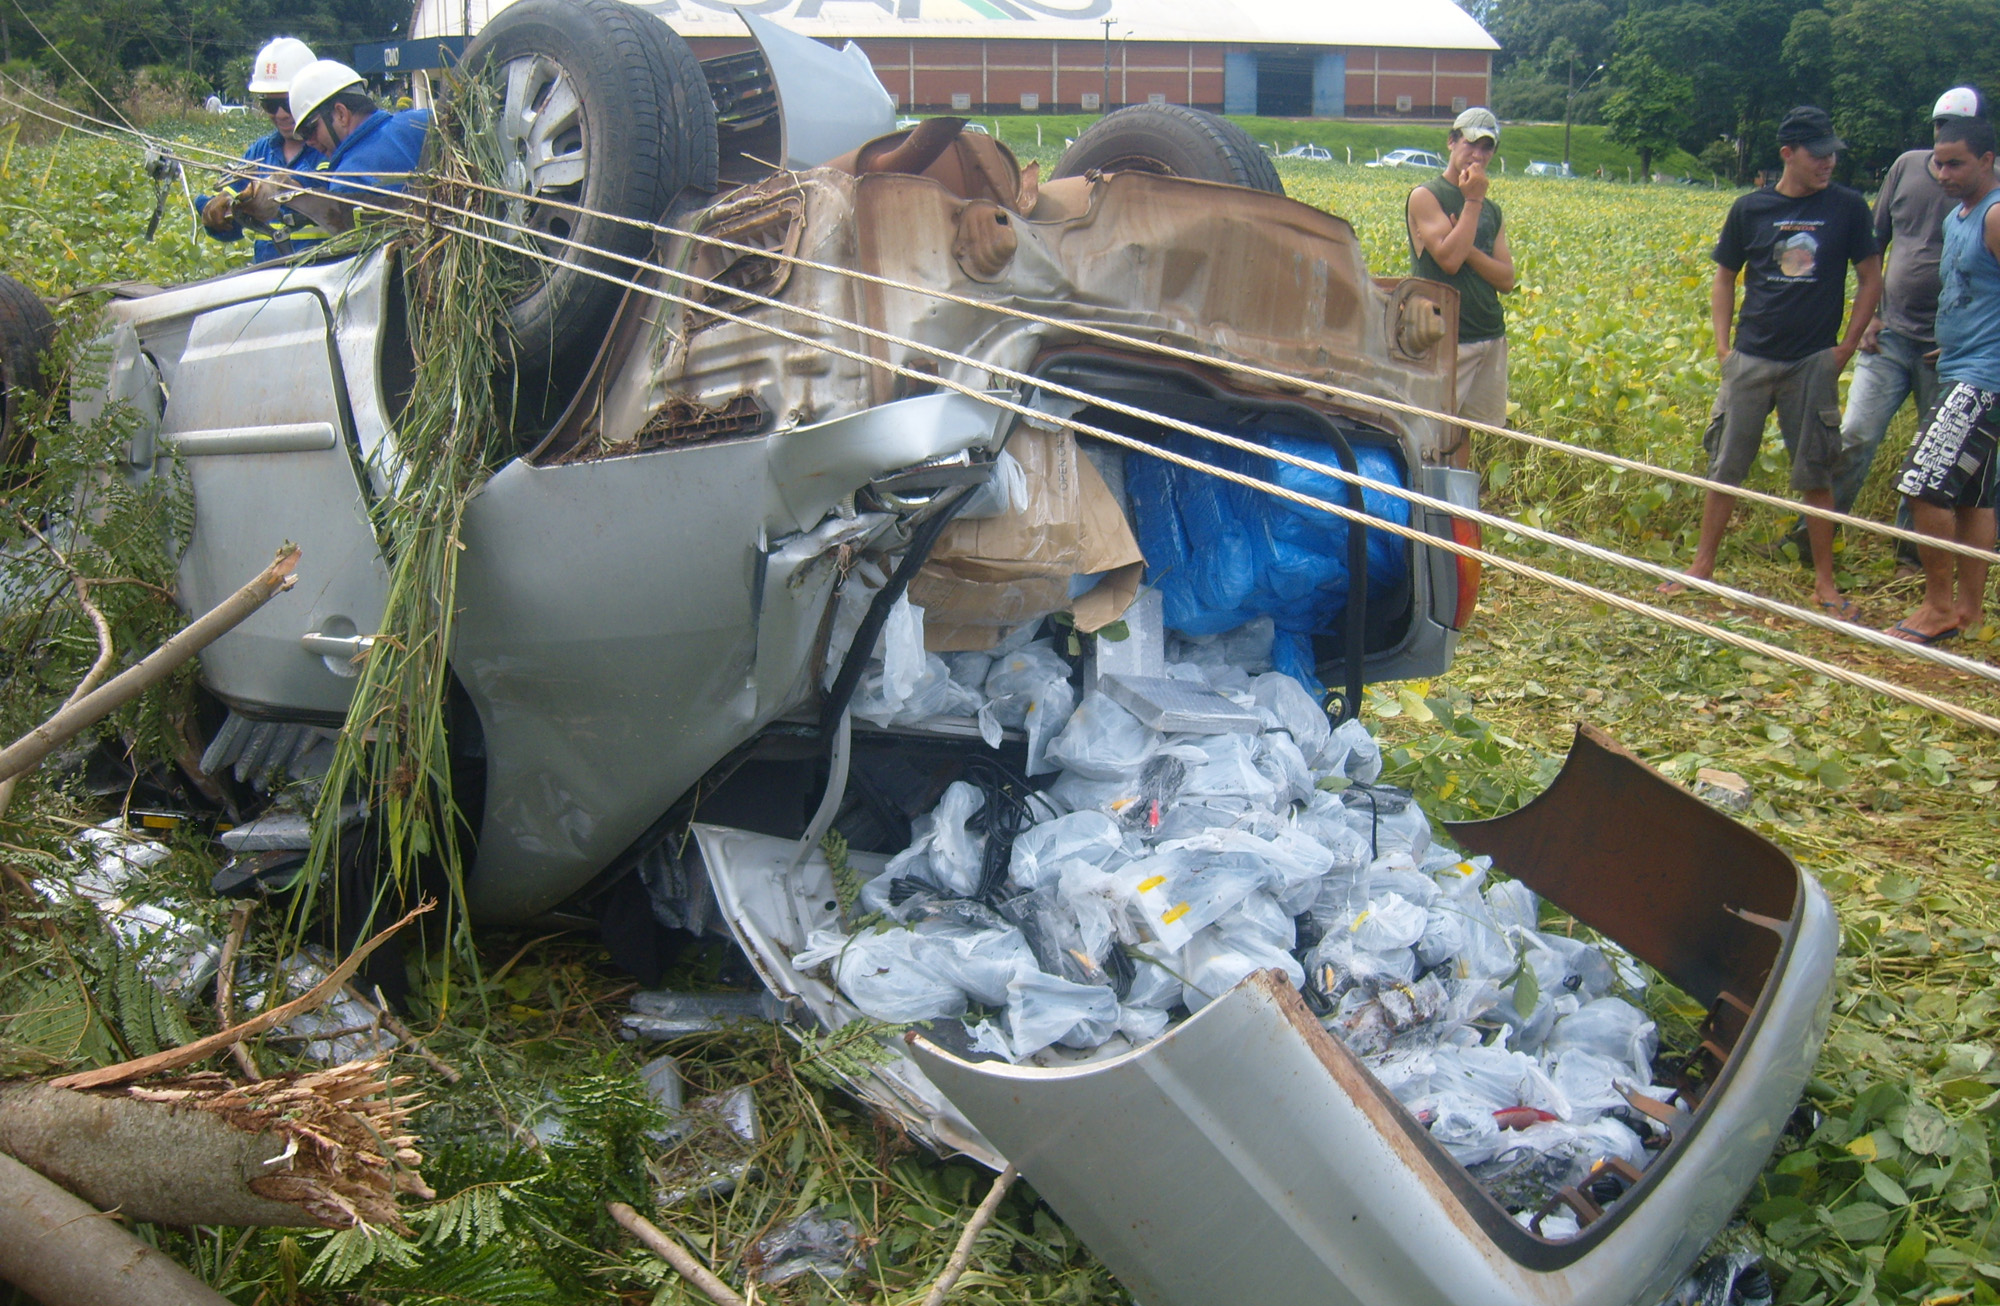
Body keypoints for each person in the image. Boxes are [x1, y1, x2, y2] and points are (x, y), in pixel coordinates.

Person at [1665, 106, 1882, 615]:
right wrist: (1724, 347)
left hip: (1812, 360)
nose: (1828, 162)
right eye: (1818, 154)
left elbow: (1872, 276)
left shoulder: (1848, 207)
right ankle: (1701, 568)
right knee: (1725, 466)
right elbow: (1724, 276)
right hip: (1751, 357)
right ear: (1788, 154)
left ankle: (1824, 583)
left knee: (1816, 473)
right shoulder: (1750, 208)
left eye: (1832, 153)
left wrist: (1846, 347)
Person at [1794, 87, 1987, 568]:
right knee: (1856, 432)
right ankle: (1813, 535)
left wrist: (1965, 333)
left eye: (1955, 132)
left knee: (1928, 455)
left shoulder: (1988, 194)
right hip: (1892, 332)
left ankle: (1911, 552)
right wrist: (1870, 316)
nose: (1944, 152)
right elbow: (1873, 242)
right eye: (1940, 125)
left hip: (1947, 349)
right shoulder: (1906, 167)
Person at [1887, 113, 2000, 644]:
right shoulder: (1960, 215)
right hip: (1961, 362)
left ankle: (1936, 606)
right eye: (1938, 162)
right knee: (1975, 497)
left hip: (1983, 378)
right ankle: (1969, 611)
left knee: (1923, 484)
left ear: (1986, 159)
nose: (1944, 171)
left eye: (1956, 162)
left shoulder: (1995, 216)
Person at [1407, 106, 1516, 467]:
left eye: (1487, 148)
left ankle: (1455, 510)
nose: (1479, 155)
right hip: (1448, 335)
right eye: (1471, 144)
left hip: (1488, 332)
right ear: (1452, 142)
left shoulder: (1492, 209)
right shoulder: (1427, 195)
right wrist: (1472, 201)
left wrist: (1468, 243)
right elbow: (1448, 260)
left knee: (1463, 432)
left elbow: (1506, 279)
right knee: (1434, 434)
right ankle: (1430, 510)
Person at [239, 60, 430, 232]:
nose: (309, 142)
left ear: (341, 114)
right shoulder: (424, 121)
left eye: (309, 130)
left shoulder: (348, 178)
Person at [191, 37, 327, 263]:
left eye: (287, 102)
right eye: (271, 105)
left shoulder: (329, 148)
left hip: (323, 277)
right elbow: (233, 224)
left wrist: (279, 190)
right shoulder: (260, 153)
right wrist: (214, 213)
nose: (281, 114)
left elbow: (324, 187)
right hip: (268, 278)